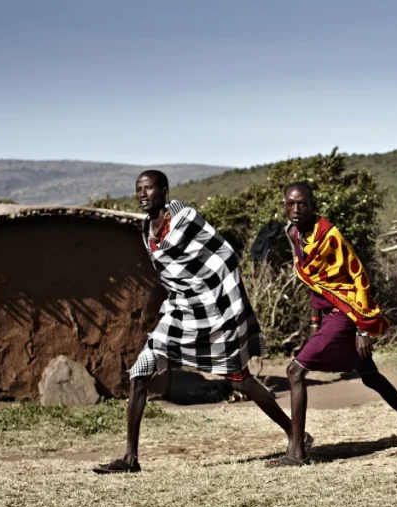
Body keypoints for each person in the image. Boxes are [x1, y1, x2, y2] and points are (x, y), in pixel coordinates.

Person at [93, 170, 301, 473]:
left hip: (212, 312)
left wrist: (219, 297)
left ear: (164, 191)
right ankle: (130, 458)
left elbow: (223, 254)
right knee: (140, 373)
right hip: (178, 313)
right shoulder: (145, 229)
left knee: (239, 378)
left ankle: (295, 434)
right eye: (138, 189)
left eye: (148, 189)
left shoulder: (185, 218)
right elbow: (170, 272)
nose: (142, 194)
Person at [274, 182, 397, 467]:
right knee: (370, 375)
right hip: (328, 313)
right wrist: (314, 322)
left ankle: (296, 453)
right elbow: (316, 283)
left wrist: (362, 327)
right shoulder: (293, 234)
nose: (296, 210)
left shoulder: (330, 235)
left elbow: (357, 277)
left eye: (302, 204)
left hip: (347, 314)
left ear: (313, 206)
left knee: (295, 371)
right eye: (290, 204)